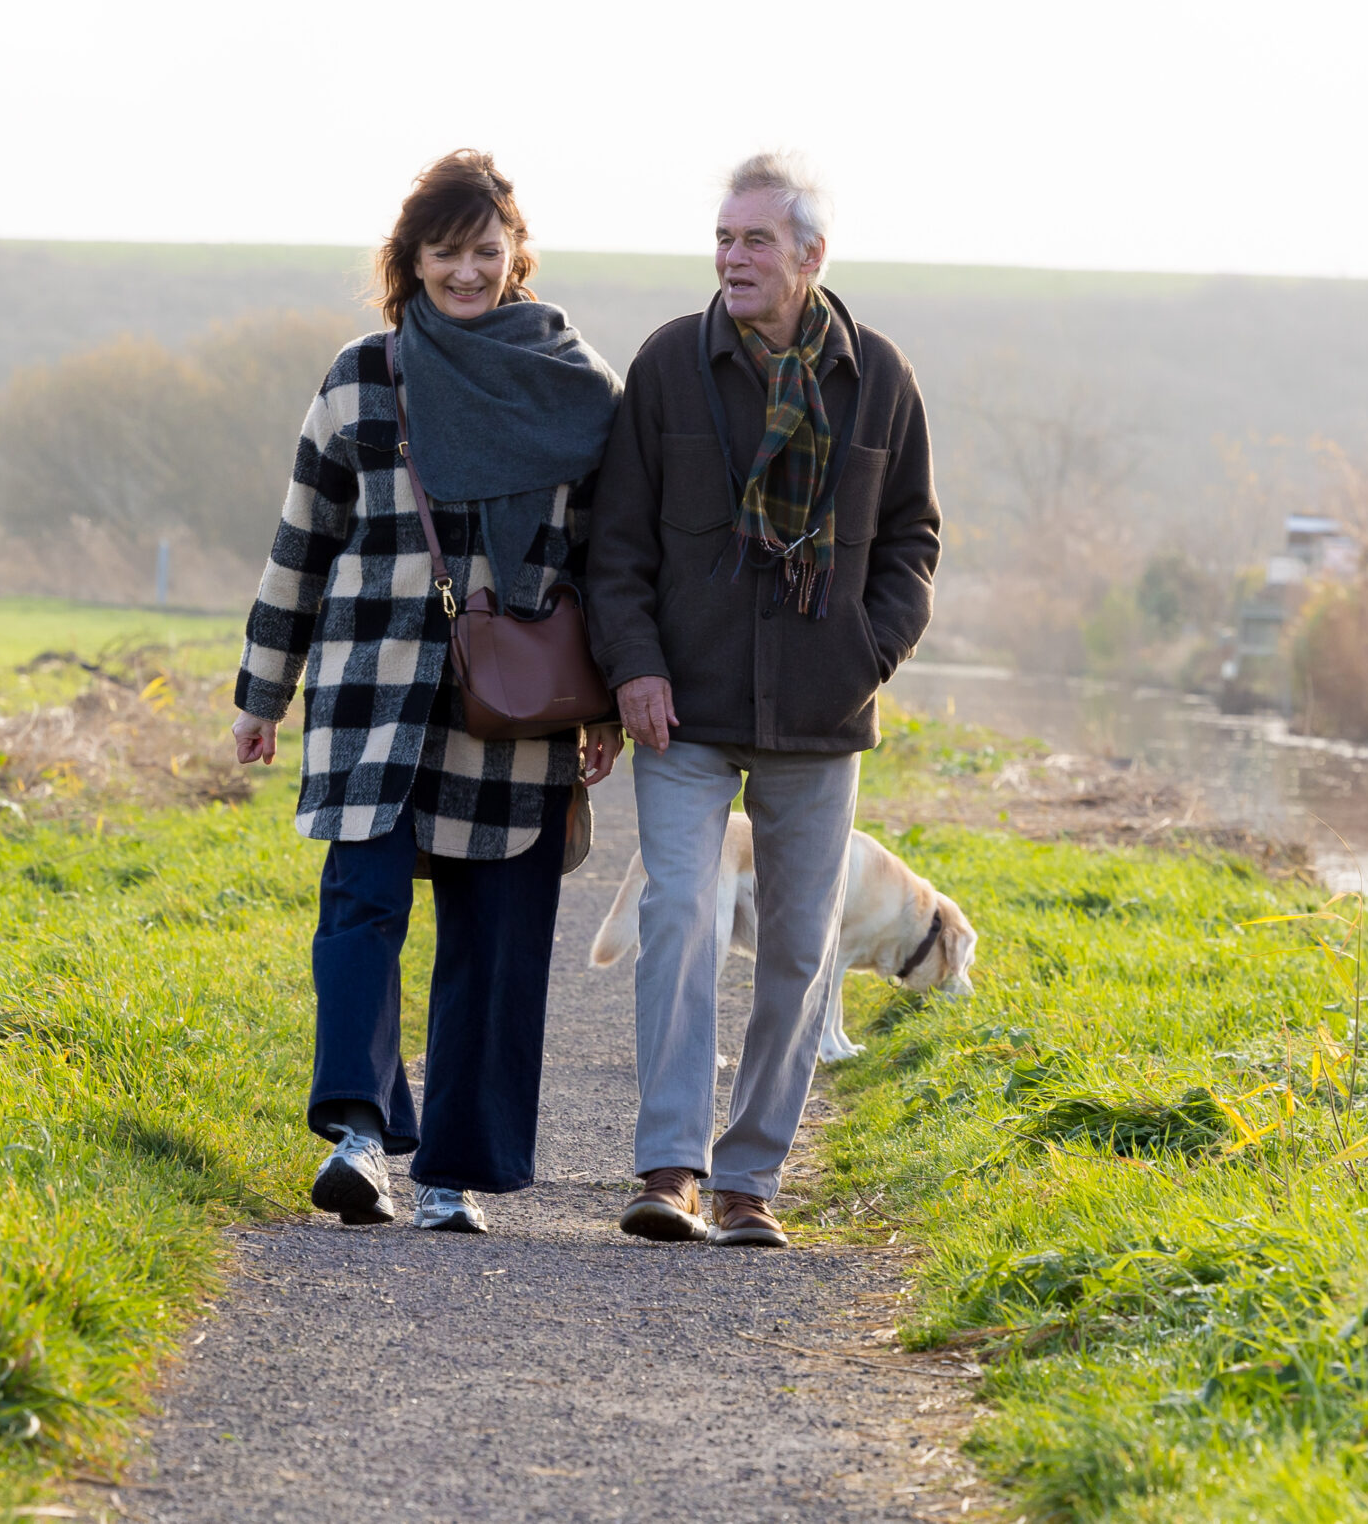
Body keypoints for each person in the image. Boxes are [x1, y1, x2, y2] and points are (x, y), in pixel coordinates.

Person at [230, 150, 626, 1235]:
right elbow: (301, 539)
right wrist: (262, 692)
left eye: (484, 251)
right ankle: (362, 1140)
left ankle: (452, 1171)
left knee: (495, 941)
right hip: (371, 695)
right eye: (444, 253)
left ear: (515, 256)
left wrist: (603, 708)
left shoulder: (576, 385)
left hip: (512, 709)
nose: (465, 272)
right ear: (409, 260)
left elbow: (604, 560)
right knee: (361, 910)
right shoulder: (363, 375)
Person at [586, 153, 942, 1246]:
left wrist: (863, 653)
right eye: (723, 241)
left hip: (818, 717)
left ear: (809, 257)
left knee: (797, 946)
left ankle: (749, 1183)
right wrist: (635, 668)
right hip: (680, 710)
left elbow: (912, 541)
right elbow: (617, 544)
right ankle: (668, 1172)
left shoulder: (878, 377)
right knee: (680, 916)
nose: (733, 260)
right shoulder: (666, 368)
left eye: (754, 243)